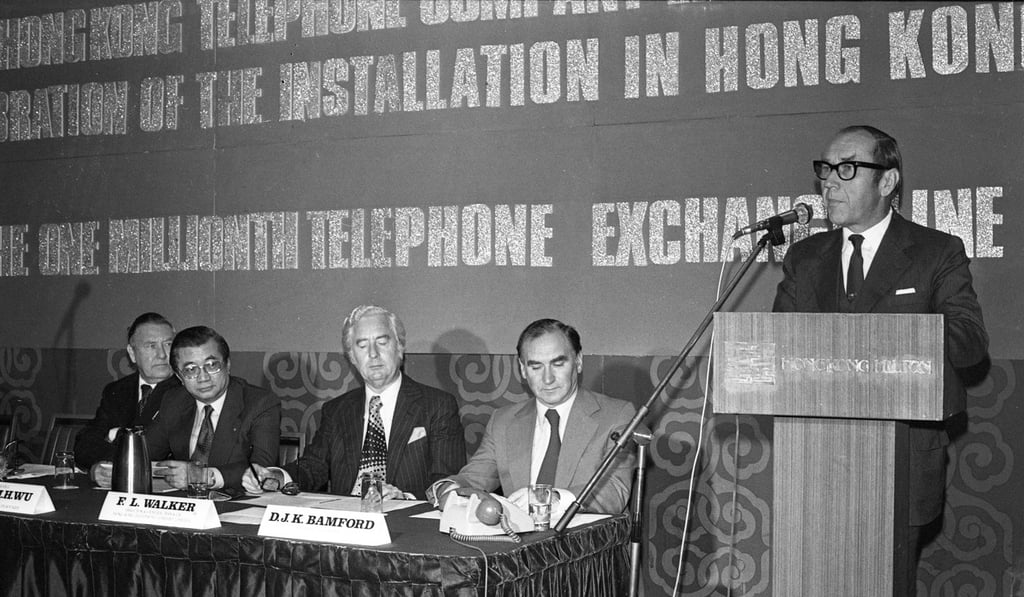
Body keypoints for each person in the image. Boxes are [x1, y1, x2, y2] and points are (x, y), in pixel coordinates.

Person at [773, 125, 989, 590]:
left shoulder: (936, 252)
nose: (829, 182)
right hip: (813, 463)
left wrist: (889, 340)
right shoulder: (806, 256)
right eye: (825, 169)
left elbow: (970, 342)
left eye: (847, 169)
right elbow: (779, 347)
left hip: (901, 463)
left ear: (888, 182)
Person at [242, 305, 466, 500]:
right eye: (362, 345)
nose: (373, 354)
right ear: (351, 357)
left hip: (406, 528)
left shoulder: (438, 406)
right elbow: (313, 467)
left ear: (399, 348)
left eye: (381, 342)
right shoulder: (337, 410)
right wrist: (277, 477)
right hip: (347, 528)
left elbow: (446, 481)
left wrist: (404, 499)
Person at [429, 318, 637, 515]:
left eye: (558, 364)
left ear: (578, 362)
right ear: (523, 369)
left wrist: (549, 498)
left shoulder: (616, 415)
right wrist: (448, 488)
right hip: (520, 548)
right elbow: (474, 477)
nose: (547, 378)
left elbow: (615, 491)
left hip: (587, 548)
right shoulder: (503, 421)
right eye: (536, 367)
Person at [143, 325, 280, 495]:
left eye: (212, 365)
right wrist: (106, 469)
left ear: (228, 365)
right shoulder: (174, 400)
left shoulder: (260, 402)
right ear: (179, 377)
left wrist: (203, 476)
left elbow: (261, 469)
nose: (203, 377)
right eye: (191, 369)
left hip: (237, 504)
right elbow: (145, 453)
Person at [75, 313, 181, 485]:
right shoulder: (117, 390)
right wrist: (97, 468)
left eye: (168, 344)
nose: (162, 354)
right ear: (132, 353)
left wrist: (113, 435)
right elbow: (86, 442)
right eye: (151, 346)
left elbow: (152, 451)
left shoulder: (186, 391)